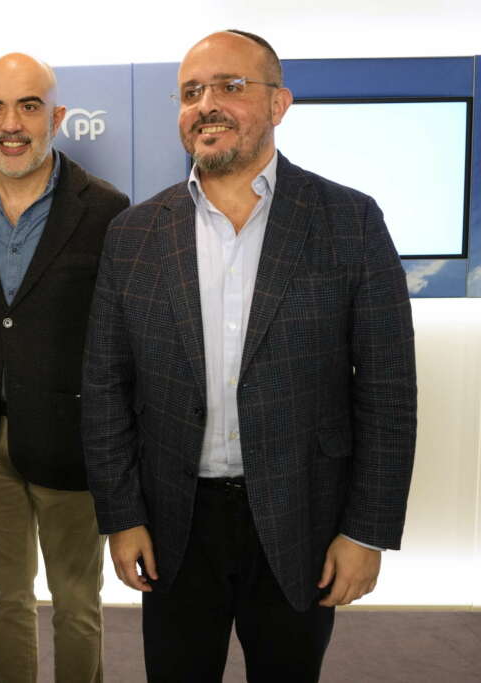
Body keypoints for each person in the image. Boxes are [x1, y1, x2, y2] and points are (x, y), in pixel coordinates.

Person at [82, 30, 417, 682]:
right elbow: (105, 386)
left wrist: (366, 531)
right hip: (175, 525)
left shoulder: (350, 221)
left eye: (231, 87)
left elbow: (388, 391)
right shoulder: (134, 234)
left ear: (279, 103)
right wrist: (122, 516)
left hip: (303, 520)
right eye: (191, 92)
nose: (207, 104)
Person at [0, 53, 130, 683]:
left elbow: (122, 334)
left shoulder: (104, 208)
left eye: (28, 106)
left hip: (71, 441)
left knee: (76, 605)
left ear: (58, 117)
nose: (10, 124)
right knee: (6, 600)